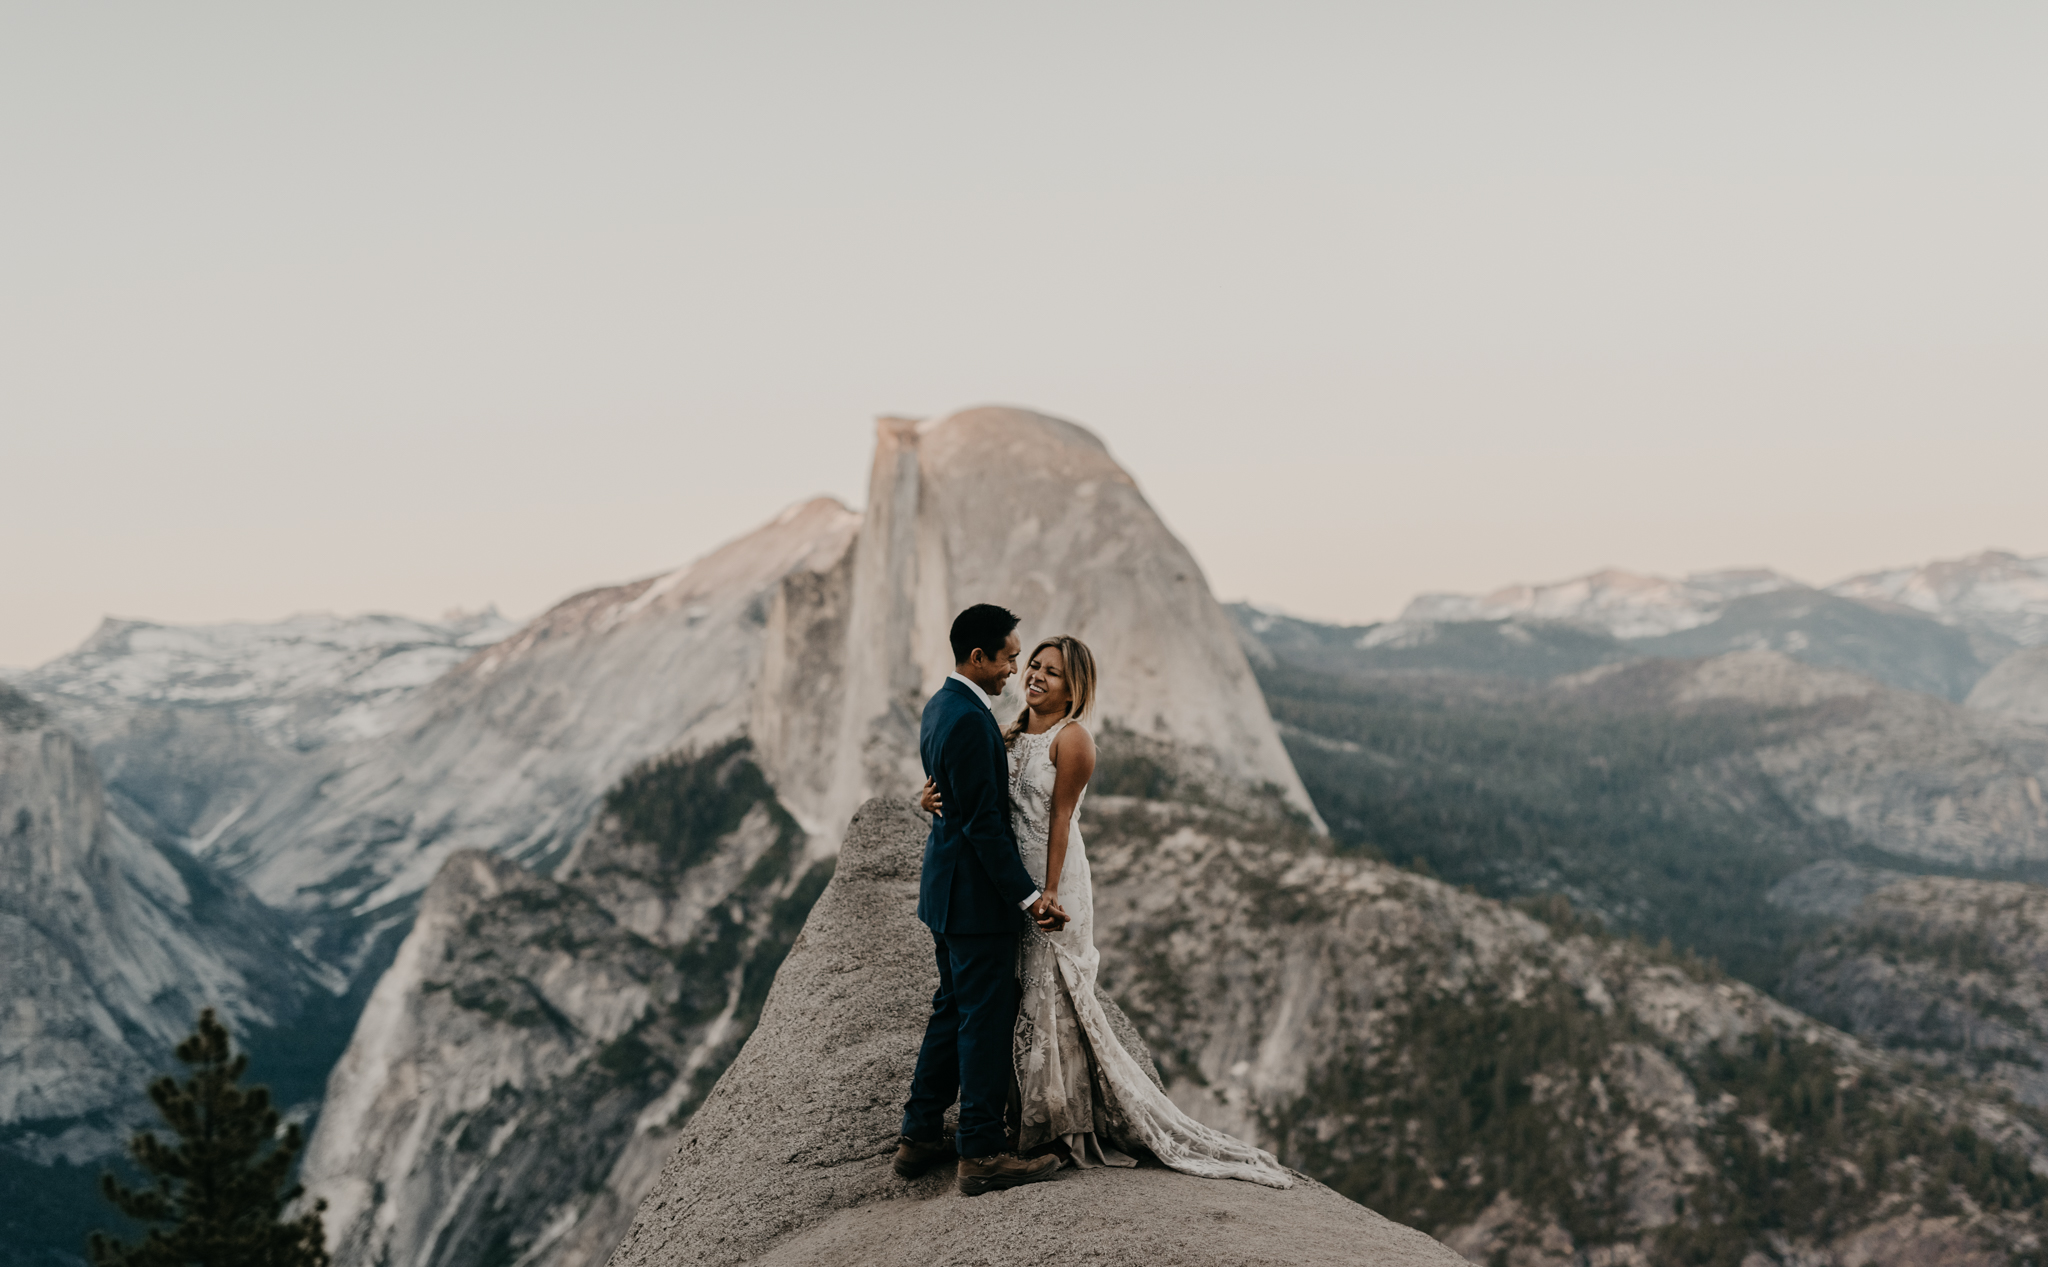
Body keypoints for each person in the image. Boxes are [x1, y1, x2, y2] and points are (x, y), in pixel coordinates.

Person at [919, 630, 1293, 1188]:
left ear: (1075, 689)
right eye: (1034, 666)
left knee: (1052, 991)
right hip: (1008, 882)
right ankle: (1015, 1119)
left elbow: (1061, 820)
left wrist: (1045, 893)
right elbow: (970, 793)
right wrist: (926, 799)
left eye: (1052, 672)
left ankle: (1057, 1121)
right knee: (1012, 997)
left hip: (1051, 878)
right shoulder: (1007, 731)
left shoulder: (1074, 741)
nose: (1036, 676)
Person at [894, 604, 1069, 1196]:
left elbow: (952, 797)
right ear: (979, 657)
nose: (1015, 669)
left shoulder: (943, 705)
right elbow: (983, 826)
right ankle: (982, 1151)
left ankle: (918, 1137)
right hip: (974, 903)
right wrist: (1027, 899)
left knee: (951, 1009)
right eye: (1010, 657)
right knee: (985, 1020)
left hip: (946, 895)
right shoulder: (970, 719)